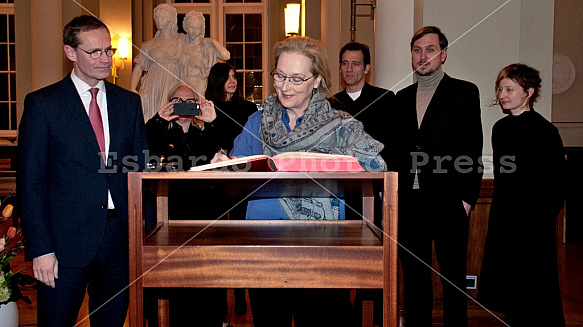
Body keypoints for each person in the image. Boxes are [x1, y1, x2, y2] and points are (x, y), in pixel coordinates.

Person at [212, 36, 386, 327]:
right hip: (264, 248)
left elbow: (375, 164)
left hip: (322, 250)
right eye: (279, 76)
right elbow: (233, 175)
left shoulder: (340, 126)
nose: (284, 86)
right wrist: (224, 167)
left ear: (317, 80)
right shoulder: (257, 122)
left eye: (295, 78)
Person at [17, 15, 148, 326]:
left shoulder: (128, 103)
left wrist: (142, 235)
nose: (105, 59)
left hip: (119, 239)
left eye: (109, 50)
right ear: (70, 53)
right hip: (63, 245)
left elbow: (139, 171)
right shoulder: (43, 105)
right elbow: (30, 184)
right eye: (95, 52)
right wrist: (41, 249)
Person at [393, 26, 483, 327]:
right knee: (416, 283)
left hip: (449, 203)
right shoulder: (401, 98)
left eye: (430, 49)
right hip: (409, 203)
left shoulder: (464, 92)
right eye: (417, 50)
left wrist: (466, 199)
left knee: (453, 282)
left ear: (443, 54)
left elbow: (472, 149)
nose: (423, 56)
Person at [478, 64, 566, 327]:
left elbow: (558, 183)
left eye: (509, 89)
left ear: (528, 92)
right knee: (510, 292)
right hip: (505, 219)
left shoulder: (546, 131)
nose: (502, 95)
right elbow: (506, 177)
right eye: (500, 89)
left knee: (536, 293)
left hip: (534, 224)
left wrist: (538, 218)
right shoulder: (500, 129)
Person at [328, 41, 395, 161]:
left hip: (376, 173)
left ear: (366, 68)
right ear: (340, 68)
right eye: (345, 63)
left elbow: (392, 146)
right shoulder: (331, 104)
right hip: (340, 174)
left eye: (356, 64)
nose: (349, 69)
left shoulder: (385, 99)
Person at [146, 83, 218, 170]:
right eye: (178, 100)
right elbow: (144, 150)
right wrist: (158, 120)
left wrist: (212, 122)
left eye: (189, 101)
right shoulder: (159, 131)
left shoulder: (204, 133)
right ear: (170, 103)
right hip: (166, 182)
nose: (183, 105)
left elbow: (217, 155)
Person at [131, 4, 182, 121]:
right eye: (157, 18)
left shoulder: (180, 42)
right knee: (151, 114)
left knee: (172, 113)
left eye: (163, 18)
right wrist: (133, 88)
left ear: (171, 20)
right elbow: (139, 67)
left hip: (172, 81)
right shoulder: (148, 45)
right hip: (152, 84)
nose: (159, 21)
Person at [205, 62, 257, 154]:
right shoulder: (209, 108)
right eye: (227, 77)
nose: (232, 81)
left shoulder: (249, 107)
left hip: (244, 157)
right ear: (217, 80)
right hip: (217, 159)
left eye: (234, 77)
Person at [180, 11, 230, 99]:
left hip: (199, 84)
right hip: (182, 84)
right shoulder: (181, 45)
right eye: (191, 27)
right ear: (186, 27)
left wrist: (213, 41)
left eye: (197, 28)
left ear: (202, 28)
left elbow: (226, 56)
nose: (194, 31)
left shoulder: (206, 46)